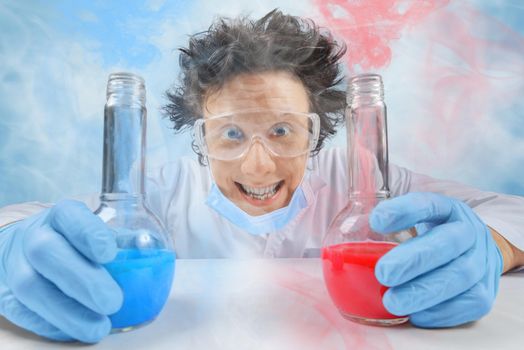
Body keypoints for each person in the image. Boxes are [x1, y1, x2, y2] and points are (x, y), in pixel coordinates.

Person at [1, 9, 524, 343]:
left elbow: (514, 211)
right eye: (230, 134)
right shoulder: (160, 190)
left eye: (281, 130)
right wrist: (13, 249)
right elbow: (22, 221)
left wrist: (489, 246)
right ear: (200, 137)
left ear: (317, 134)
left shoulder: (357, 177)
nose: (257, 166)